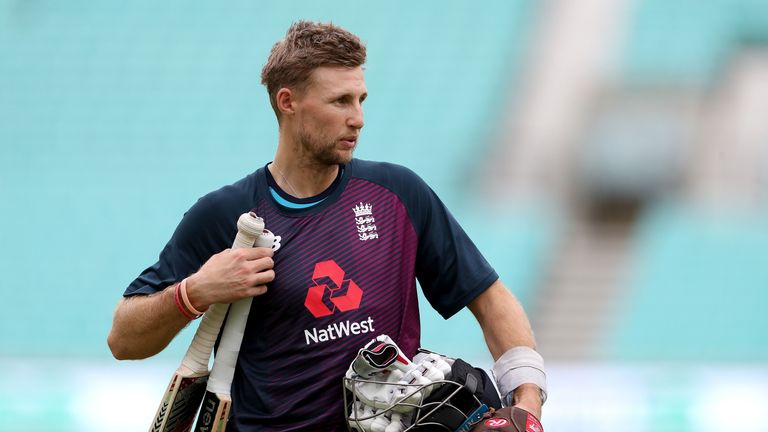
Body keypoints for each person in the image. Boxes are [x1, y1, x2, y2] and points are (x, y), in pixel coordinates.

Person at [108, 20, 546, 431]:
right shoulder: (226, 215)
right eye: (340, 101)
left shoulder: (399, 193)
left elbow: (490, 300)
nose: (357, 118)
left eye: (360, 100)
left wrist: (527, 402)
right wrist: (195, 292)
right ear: (288, 102)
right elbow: (124, 339)